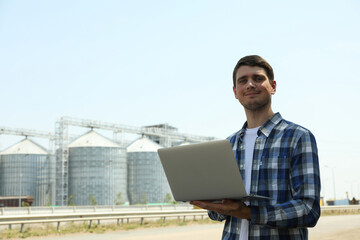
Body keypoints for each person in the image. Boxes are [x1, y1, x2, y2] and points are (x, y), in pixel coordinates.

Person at [190, 55, 321, 240]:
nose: (250, 84)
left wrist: (249, 212)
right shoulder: (228, 145)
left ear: (273, 86)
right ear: (235, 91)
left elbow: (309, 210)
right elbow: (219, 215)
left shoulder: (298, 137)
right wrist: (213, 205)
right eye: (243, 81)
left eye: (258, 78)